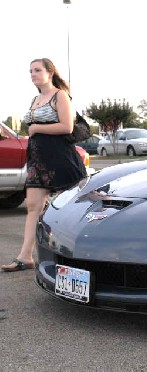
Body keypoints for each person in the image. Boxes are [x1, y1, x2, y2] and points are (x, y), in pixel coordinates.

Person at [1, 58, 87, 272]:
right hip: (38, 160)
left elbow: (67, 127)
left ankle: (80, 256)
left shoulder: (60, 95)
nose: (33, 74)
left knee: (72, 208)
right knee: (32, 207)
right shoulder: (35, 98)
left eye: (37, 70)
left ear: (50, 72)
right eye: (30, 71)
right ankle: (25, 257)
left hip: (59, 158)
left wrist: (36, 128)